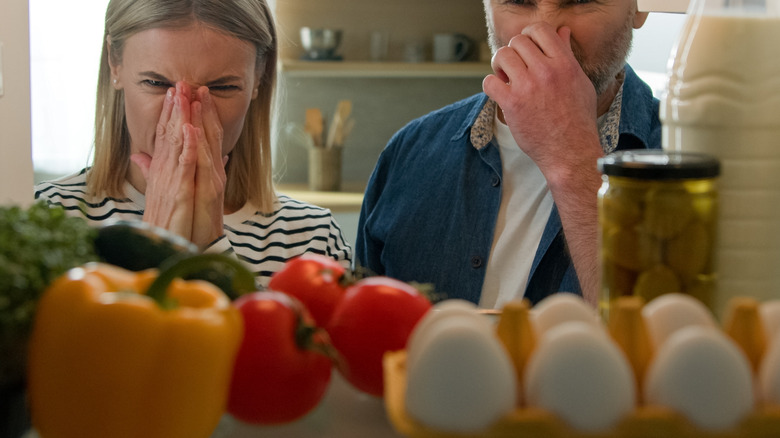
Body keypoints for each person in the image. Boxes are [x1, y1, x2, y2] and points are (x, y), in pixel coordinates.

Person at [355, 0, 659, 309]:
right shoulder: (408, 155)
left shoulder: (694, 157)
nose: (543, 33)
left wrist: (572, 160)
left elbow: (658, 347)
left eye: (579, 1)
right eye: (518, 2)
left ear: (639, 8)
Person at [34, 0, 352, 286]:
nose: (186, 121)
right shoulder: (46, 217)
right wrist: (156, 250)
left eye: (224, 87)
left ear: (259, 77)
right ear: (114, 66)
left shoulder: (312, 238)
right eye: (156, 83)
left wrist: (211, 249)